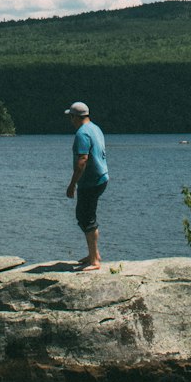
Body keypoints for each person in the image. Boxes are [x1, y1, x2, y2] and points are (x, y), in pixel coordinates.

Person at [65, 100, 107, 271]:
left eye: (71, 117)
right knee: (86, 215)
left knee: (86, 217)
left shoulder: (82, 133)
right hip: (101, 177)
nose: (70, 121)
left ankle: (95, 260)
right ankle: (93, 254)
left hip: (91, 181)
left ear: (75, 117)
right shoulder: (95, 128)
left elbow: (82, 160)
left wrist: (72, 184)